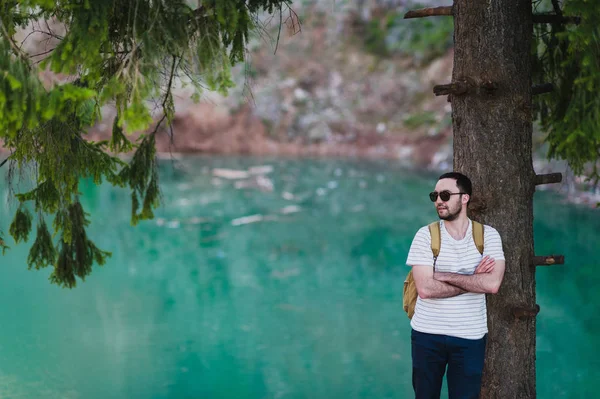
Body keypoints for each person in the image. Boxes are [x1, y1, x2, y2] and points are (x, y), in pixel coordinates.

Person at [406, 172, 506, 399]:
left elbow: (492, 285)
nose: (439, 200)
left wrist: (442, 275)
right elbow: (425, 290)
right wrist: (473, 279)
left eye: (445, 194)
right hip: (426, 335)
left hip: (469, 337)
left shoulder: (488, 236)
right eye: (435, 195)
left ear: (464, 198)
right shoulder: (425, 235)